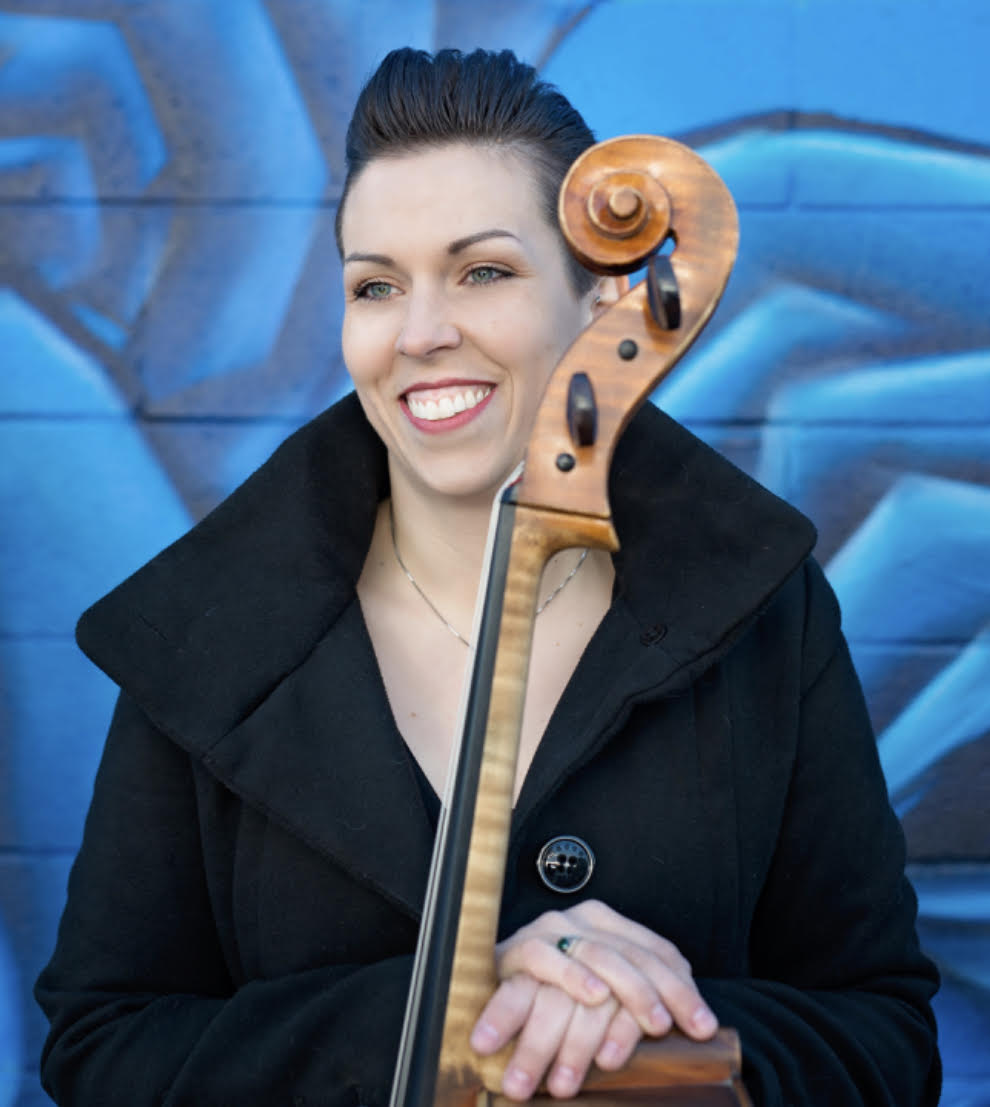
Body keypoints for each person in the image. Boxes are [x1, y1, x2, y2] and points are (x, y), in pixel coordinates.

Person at [36, 47, 940, 1106]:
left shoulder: (764, 609)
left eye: (483, 272)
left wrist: (669, 1032)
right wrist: (432, 1021)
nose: (420, 334)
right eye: (376, 286)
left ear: (600, 299)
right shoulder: (204, 636)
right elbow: (103, 1046)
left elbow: (883, 1036)